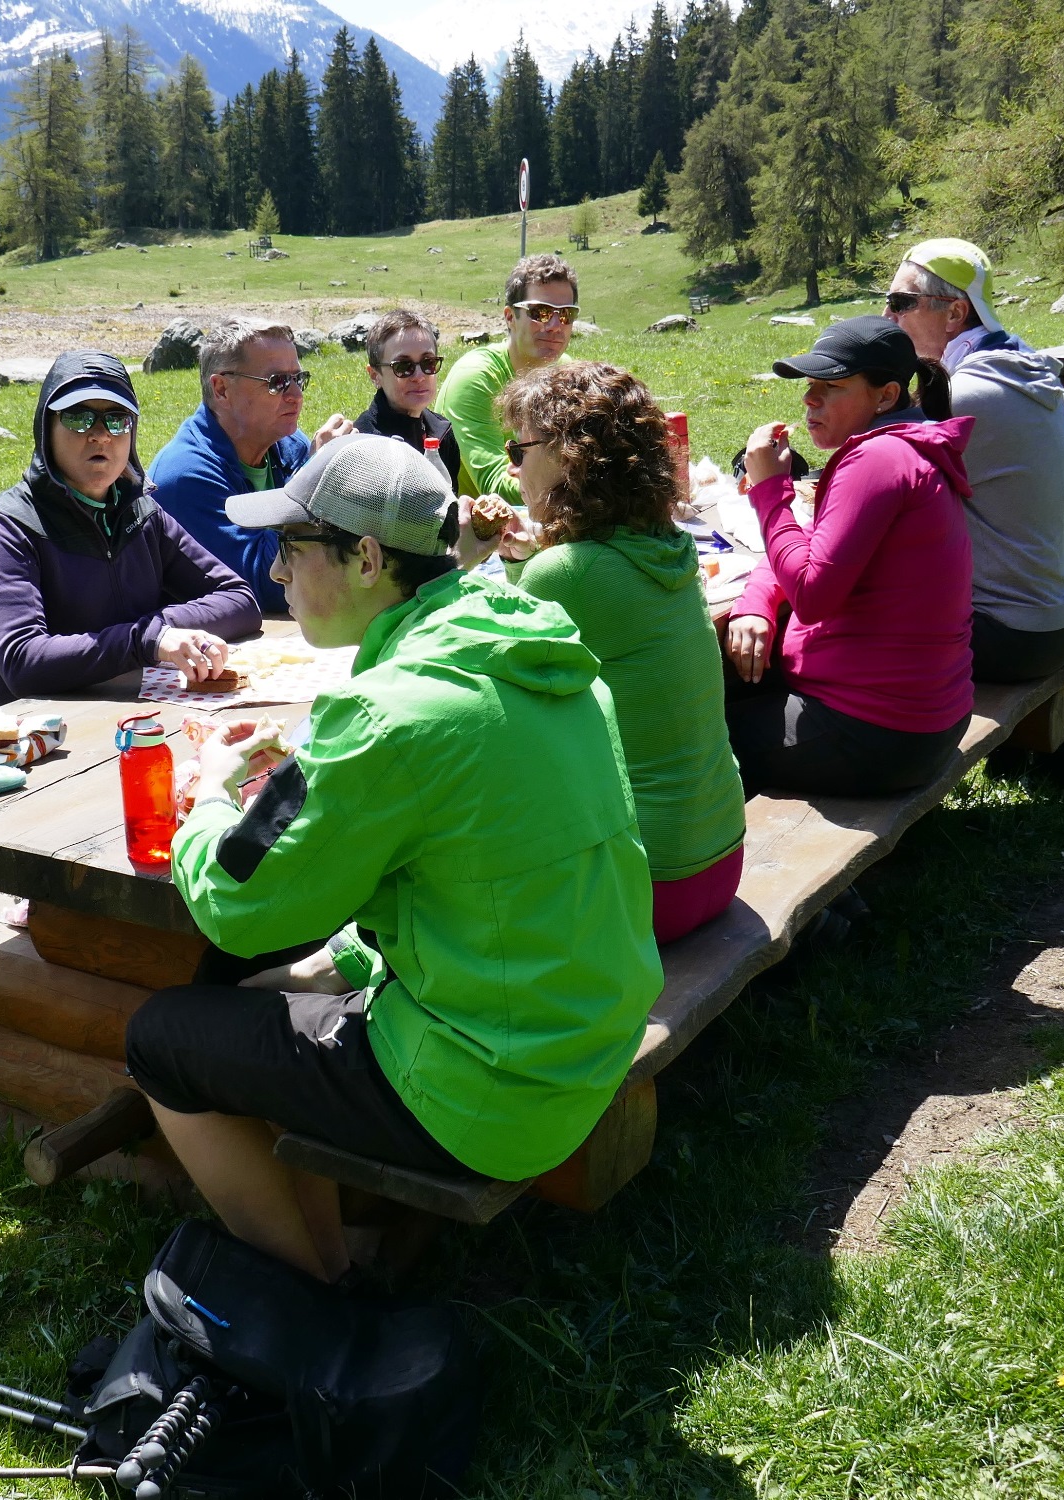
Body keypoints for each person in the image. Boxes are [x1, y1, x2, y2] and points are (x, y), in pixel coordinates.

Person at [124, 434, 660, 1282]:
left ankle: (317, 1298)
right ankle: (337, 1244)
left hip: (493, 1091)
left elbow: (242, 903)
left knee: (163, 1032)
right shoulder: (533, 651)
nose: (275, 576)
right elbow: (480, 870)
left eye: (291, 551)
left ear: (366, 557)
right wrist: (340, 955)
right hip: (581, 1034)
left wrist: (210, 798)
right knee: (264, 986)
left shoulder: (383, 716)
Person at [494, 361, 745, 943]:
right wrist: (523, 561)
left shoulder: (566, 572)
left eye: (518, 449)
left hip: (646, 889)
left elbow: (484, 683)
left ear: (567, 456)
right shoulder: (668, 546)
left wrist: (458, 569)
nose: (512, 468)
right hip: (717, 861)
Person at [724, 316, 975, 798]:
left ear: (885, 395)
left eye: (831, 386)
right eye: (809, 385)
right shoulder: (904, 445)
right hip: (919, 719)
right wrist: (756, 601)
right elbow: (813, 542)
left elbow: (813, 592)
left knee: (696, 741)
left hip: (878, 734)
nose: (809, 399)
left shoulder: (879, 461)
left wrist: (770, 491)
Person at [0, 351, 260, 708]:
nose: (101, 436)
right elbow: (22, 661)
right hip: (32, 739)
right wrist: (146, 641)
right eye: (79, 418)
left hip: (136, 716)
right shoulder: (7, 529)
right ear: (46, 427)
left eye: (117, 420)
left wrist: (160, 632)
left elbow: (239, 599)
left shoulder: (142, 512)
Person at [882, 238, 1064, 681]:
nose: (888, 316)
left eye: (901, 302)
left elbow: (879, 485)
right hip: (1058, 618)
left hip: (1008, 633)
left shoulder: (968, 395)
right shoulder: (1019, 366)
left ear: (954, 313)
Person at [147, 318, 351, 613]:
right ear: (221, 390)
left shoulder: (287, 444)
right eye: (277, 383)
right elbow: (264, 585)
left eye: (299, 379)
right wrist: (316, 474)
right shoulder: (184, 475)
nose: (296, 395)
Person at [438, 252, 578, 505]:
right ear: (510, 317)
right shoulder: (476, 378)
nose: (556, 325)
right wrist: (587, 487)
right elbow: (494, 487)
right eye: (541, 313)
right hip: (480, 533)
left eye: (566, 314)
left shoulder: (567, 374)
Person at [351, 309, 471, 494]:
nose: (419, 376)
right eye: (403, 366)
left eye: (428, 362)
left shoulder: (442, 431)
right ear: (375, 375)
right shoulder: (364, 442)